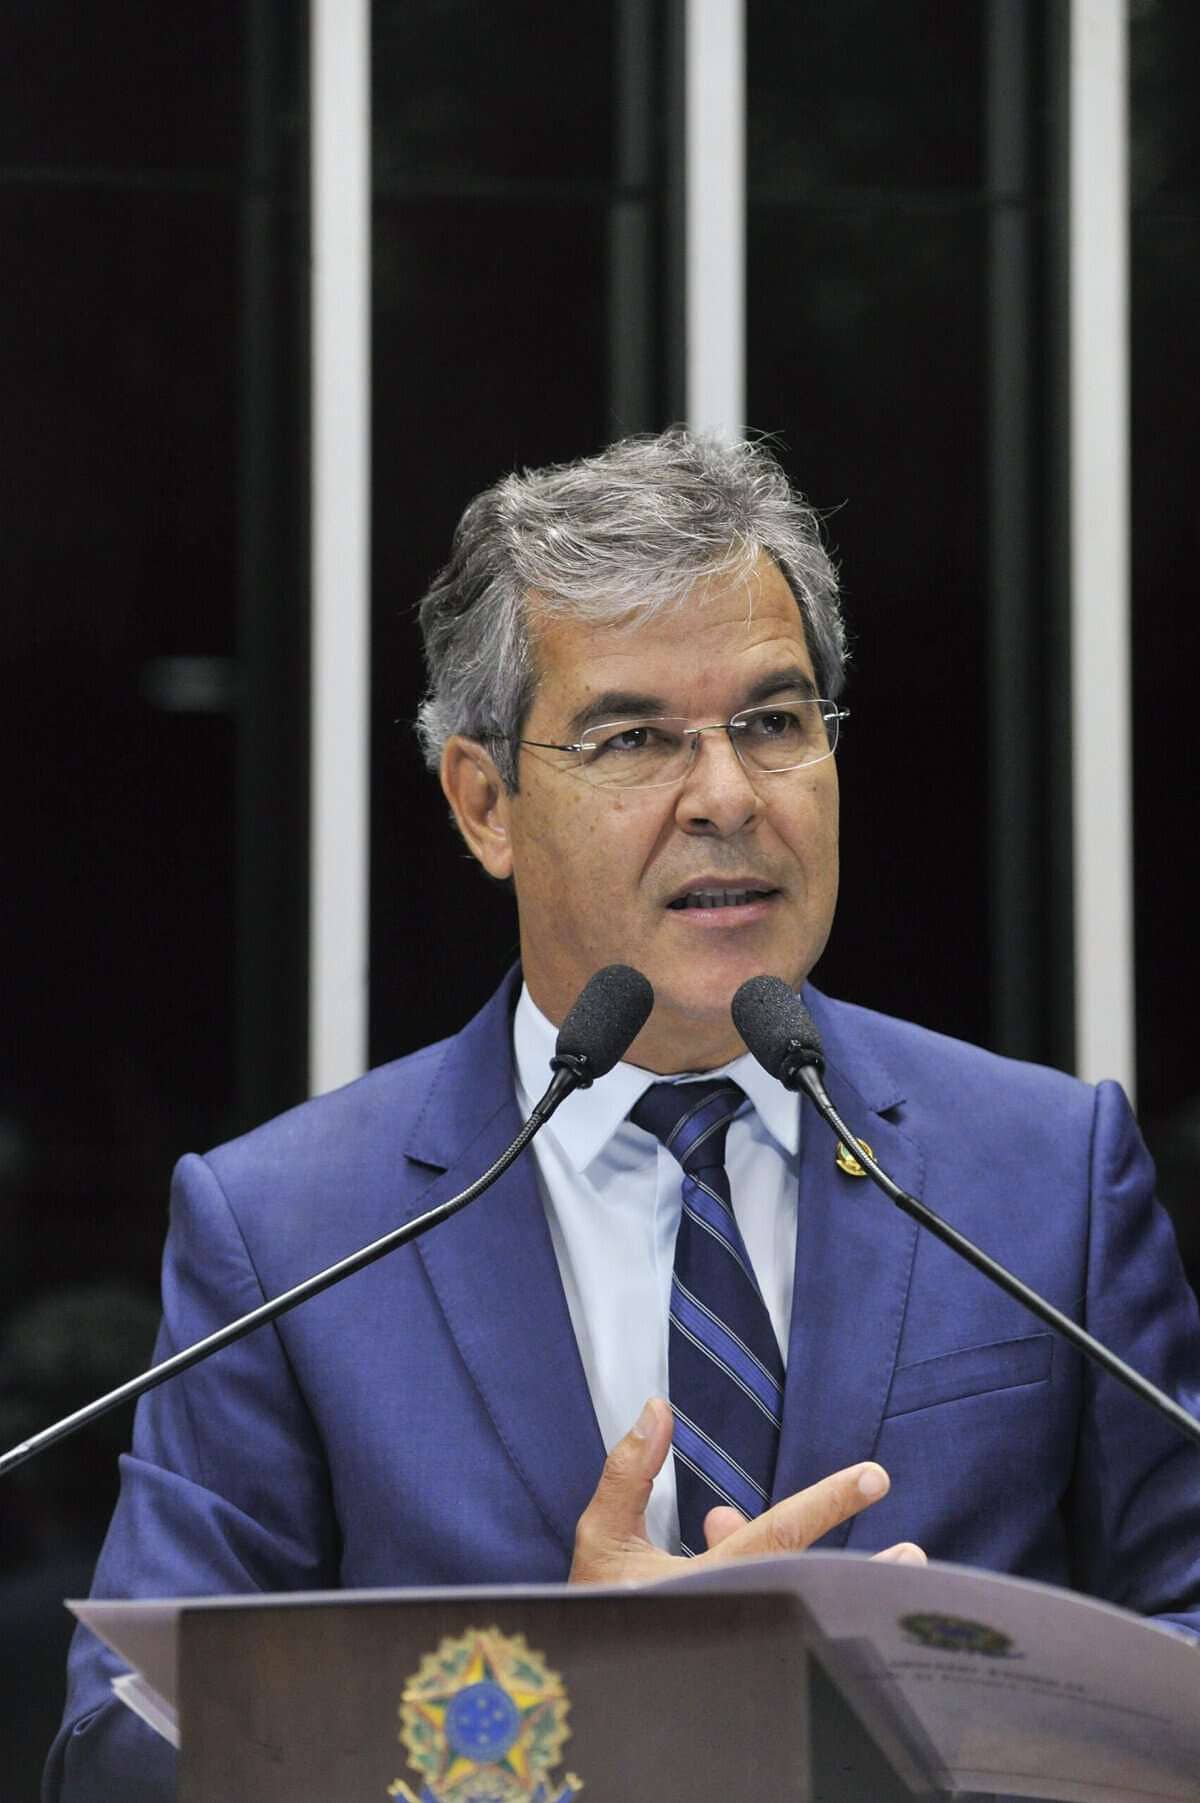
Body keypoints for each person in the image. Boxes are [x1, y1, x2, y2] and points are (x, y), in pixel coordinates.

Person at [46, 431, 1200, 1799]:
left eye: (774, 722)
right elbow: (122, 1751)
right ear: (485, 804)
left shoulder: (1047, 1171)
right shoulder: (289, 1230)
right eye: (635, 738)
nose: (726, 796)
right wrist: (564, 1704)